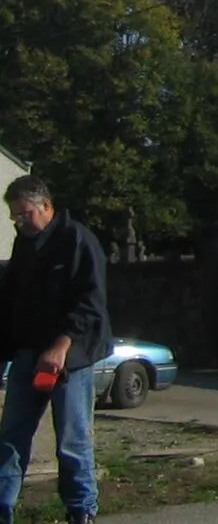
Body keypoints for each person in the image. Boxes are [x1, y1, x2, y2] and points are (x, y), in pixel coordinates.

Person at [0, 176, 111, 524]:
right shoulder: (24, 244)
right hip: (26, 353)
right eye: (15, 217)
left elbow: (91, 304)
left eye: (25, 215)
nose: (20, 223)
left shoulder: (78, 241)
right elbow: (10, 302)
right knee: (10, 439)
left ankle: (81, 512)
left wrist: (62, 344)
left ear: (46, 206)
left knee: (72, 442)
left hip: (70, 360)